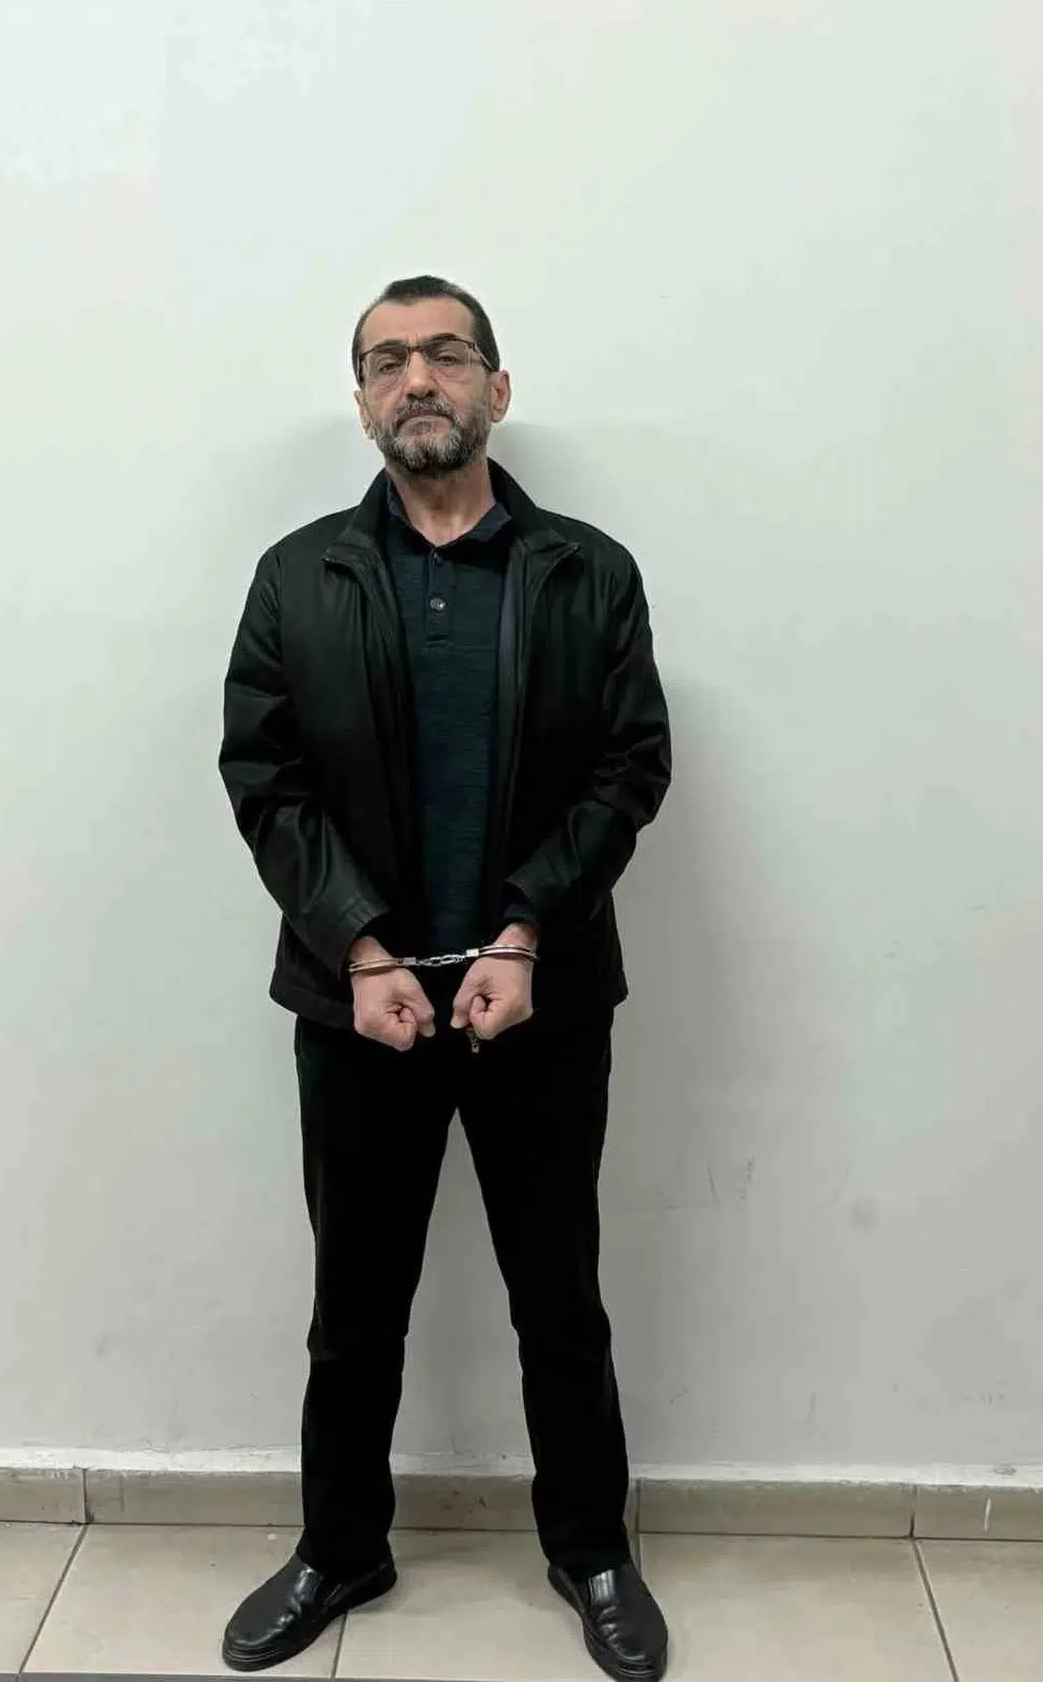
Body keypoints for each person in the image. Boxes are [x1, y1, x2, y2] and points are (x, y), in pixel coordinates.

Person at [217, 275, 672, 1681]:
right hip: (361, 1007)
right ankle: (340, 1546)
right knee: (354, 1307)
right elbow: (265, 776)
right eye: (387, 360)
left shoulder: (588, 571)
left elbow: (630, 766)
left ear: (497, 388)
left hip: (540, 999)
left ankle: (591, 1549)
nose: (417, 378)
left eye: (446, 354)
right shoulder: (298, 576)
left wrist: (527, 931)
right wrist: (358, 946)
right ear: (362, 401)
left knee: (560, 1299)